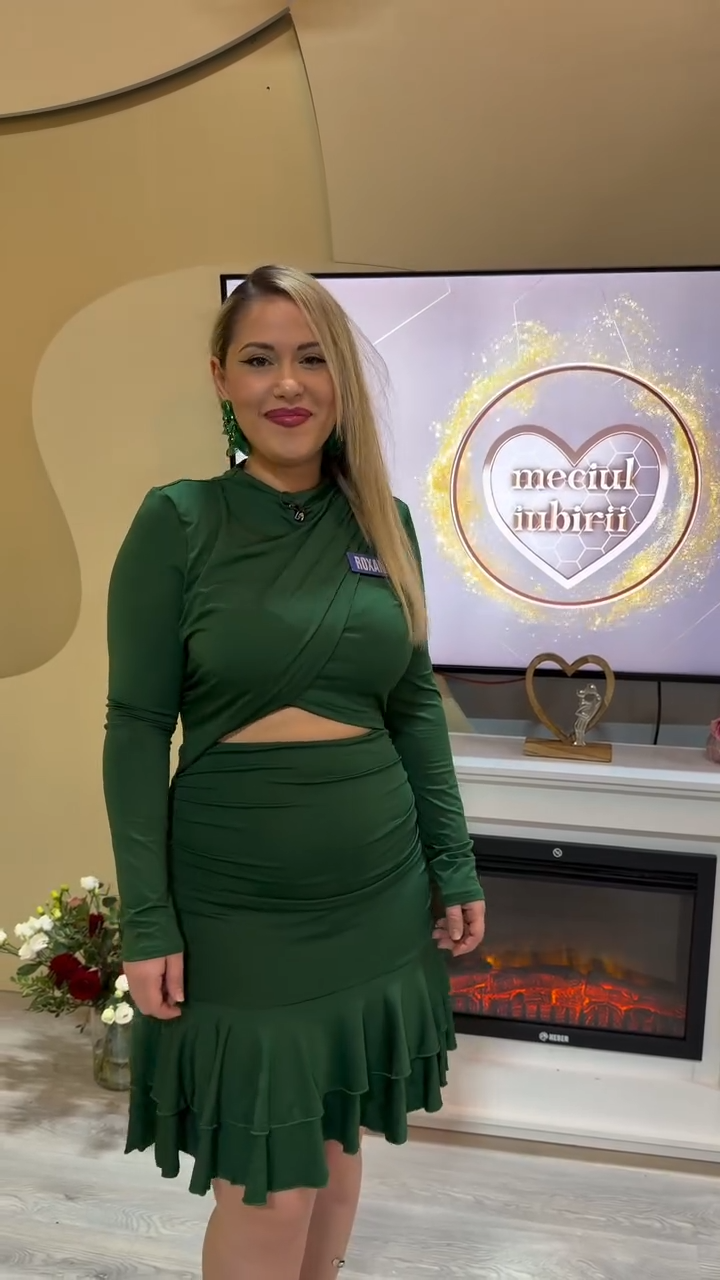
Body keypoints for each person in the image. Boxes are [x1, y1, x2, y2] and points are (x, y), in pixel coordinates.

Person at [103, 264, 486, 1280]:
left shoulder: (384, 522)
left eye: (313, 358)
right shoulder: (179, 520)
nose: (288, 383)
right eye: (261, 359)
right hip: (238, 907)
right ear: (220, 377)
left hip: (377, 893)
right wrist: (148, 920)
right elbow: (136, 727)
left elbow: (412, 704)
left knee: (336, 1155)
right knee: (269, 1187)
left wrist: (454, 862)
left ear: (341, 379)